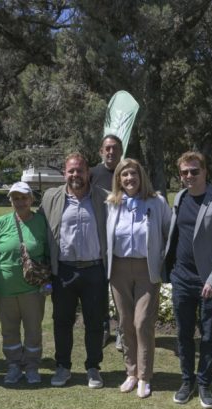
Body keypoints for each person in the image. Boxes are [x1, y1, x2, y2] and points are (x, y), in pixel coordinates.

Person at [164, 151, 212, 409]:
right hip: (182, 278)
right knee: (183, 333)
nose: (189, 176)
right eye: (184, 172)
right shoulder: (181, 198)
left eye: (194, 171)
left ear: (205, 171)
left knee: (208, 336)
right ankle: (187, 380)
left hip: (209, 282)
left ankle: (205, 383)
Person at [39, 153, 109, 389]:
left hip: (94, 270)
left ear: (87, 172)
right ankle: (63, 366)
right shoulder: (51, 198)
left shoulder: (102, 198)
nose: (75, 175)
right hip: (64, 271)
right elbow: (38, 226)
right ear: (64, 173)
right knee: (62, 321)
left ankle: (93, 368)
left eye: (80, 170)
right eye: (71, 171)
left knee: (95, 322)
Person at [105, 158, 171, 398]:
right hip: (119, 268)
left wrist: (162, 261)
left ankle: (145, 375)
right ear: (118, 179)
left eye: (132, 174)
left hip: (147, 268)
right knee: (125, 322)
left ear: (140, 176)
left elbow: (167, 232)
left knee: (142, 322)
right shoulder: (112, 204)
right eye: (124, 175)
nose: (129, 179)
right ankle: (131, 372)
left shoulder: (156, 202)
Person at [0, 182, 50, 385]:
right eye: (15, 198)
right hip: (4, 290)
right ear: (10, 201)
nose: (20, 202)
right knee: (9, 330)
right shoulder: (0, 223)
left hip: (32, 290)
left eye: (24, 197)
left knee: (33, 329)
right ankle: (14, 365)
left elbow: (49, 254)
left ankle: (32, 366)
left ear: (31, 199)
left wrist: (47, 282)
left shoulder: (41, 222)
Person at [89, 134, 125, 351]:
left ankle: (123, 330)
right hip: (98, 241)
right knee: (100, 288)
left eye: (115, 148)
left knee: (121, 289)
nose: (111, 152)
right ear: (101, 151)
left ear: (121, 151)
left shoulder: (128, 171)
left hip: (123, 240)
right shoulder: (93, 173)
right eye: (107, 148)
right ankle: (104, 329)